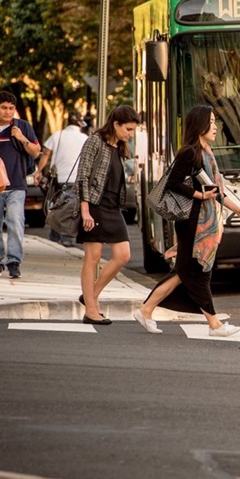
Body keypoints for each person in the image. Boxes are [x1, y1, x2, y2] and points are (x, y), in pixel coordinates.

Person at [133, 106, 240, 337]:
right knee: (196, 272)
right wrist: (199, 195)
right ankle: (215, 324)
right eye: (211, 121)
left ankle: (146, 310)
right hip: (192, 223)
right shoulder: (189, 152)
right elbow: (173, 183)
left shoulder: (206, 152)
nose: (216, 126)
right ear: (200, 124)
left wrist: (238, 210)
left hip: (204, 222)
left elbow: (216, 191)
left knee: (184, 272)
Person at [75, 105, 141, 325]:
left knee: (123, 255)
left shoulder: (119, 147)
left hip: (112, 207)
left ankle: (89, 296)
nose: (130, 134)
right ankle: (91, 310)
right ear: (116, 124)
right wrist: (85, 211)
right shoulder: (95, 141)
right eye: (128, 129)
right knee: (92, 259)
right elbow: (83, 176)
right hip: (94, 206)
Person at [0, 91, 41, 279]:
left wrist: (22, 138)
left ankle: (14, 261)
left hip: (17, 184)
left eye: (11, 108)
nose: (7, 112)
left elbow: (35, 151)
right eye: (4, 108)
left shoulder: (22, 126)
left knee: (16, 222)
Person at [39, 110, 88, 247]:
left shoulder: (57, 135)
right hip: (77, 178)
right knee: (70, 208)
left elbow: (46, 154)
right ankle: (66, 237)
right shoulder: (85, 138)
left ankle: (54, 235)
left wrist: (38, 171)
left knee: (57, 206)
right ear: (80, 124)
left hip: (59, 178)